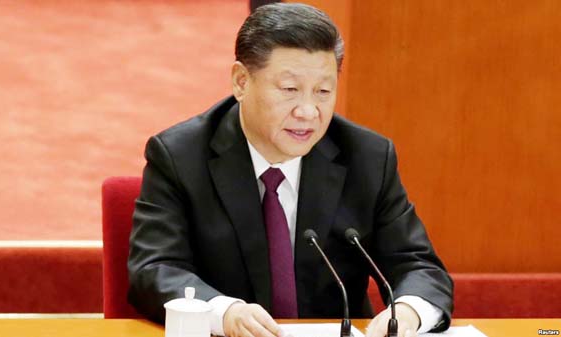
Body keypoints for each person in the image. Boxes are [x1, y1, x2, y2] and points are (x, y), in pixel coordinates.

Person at [128, 3, 453, 337]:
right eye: (289, 90)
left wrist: (409, 312)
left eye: (324, 91)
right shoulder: (180, 156)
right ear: (241, 82)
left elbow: (419, 266)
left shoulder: (367, 157)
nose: (309, 111)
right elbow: (154, 268)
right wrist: (224, 312)